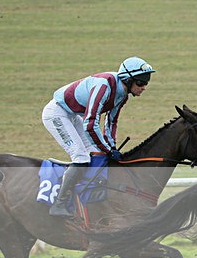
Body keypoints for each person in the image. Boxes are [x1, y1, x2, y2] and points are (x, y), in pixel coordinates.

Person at [42, 56, 155, 217]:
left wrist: (111, 148)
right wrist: (107, 150)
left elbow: (110, 123)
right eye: (141, 82)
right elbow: (90, 123)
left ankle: (87, 193)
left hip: (73, 114)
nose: (144, 87)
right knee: (80, 157)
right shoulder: (104, 86)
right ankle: (59, 204)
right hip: (57, 113)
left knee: (96, 153)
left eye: (147, 82)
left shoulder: (123, 95)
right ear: (128, 80)